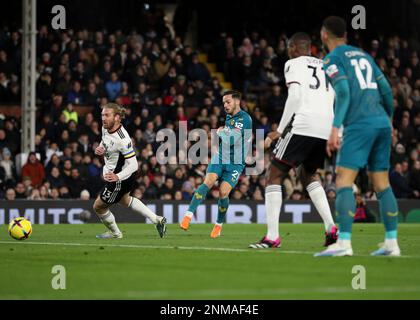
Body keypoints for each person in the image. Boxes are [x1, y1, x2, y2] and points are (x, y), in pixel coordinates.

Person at [315, 16, 400, 257]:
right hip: (382, 123)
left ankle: (343, 244)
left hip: (359, 125)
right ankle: (391, 244)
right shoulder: (364, 56)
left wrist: (335, 127)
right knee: (382, 184)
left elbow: (342, 91)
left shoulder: (332, 58)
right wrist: (389, 120)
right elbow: (386, 91)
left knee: (343, 181)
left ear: (324, 35)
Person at [248, 32, 338, 249]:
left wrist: (279, 130)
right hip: (326, 127)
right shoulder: (327, 65)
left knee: (274, 174)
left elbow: (296, 96)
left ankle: (272, 236)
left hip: (304, 124)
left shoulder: (294, 63)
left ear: (295, 48)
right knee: (309, 174)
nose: (288, 52)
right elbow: (336, 96)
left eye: (289, 48)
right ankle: (331, 228)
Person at [179, 90, 252, 238]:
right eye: (224, 102)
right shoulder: (229, 117)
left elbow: (232, 139)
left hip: (236, 163)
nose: (225, 105)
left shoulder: (245, 119)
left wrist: (220, 132)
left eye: (228, 102)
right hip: (221, 157)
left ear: (237, 102)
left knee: (223, 193)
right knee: (209, 181)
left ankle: (218, 225)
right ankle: (188, 215)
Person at [93, 103, 167, 239]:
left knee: (99, 206)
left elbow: (134, 164)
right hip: (117, 174)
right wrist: (101, 148)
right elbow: (104, 141)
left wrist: (117, 176)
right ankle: (157, 220)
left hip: (121, 176)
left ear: (116, 117)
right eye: (102, 115)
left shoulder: (123, 139)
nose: (103, 118)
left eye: (107, 115)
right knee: (125, 200)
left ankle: (115, 233)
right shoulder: (106, 127)